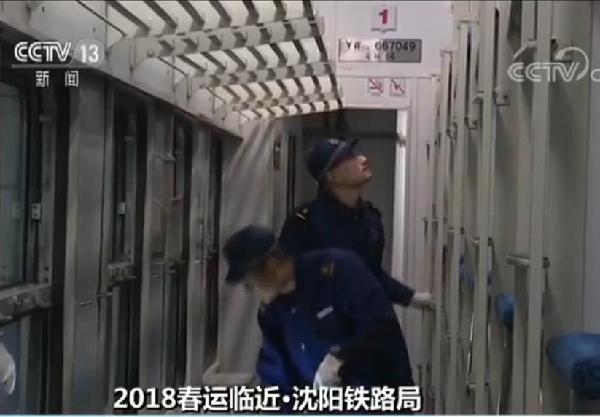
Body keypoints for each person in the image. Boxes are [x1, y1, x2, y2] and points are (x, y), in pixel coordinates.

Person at [223, 225, 414, 398]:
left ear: (272, 265)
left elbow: (381, 327)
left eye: (249, 283)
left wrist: (341, 357)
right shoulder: (272, 314)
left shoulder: (338, 271)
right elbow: (275, 375)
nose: (250, 291)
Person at [279, 138, 433, 309]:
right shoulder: (304, 222)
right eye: (349, 157)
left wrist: (413, 298)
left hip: (360, 320)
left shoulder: (370, 219)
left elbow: (372, 275)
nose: (363, 159)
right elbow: (281, 280)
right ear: (332, 176)